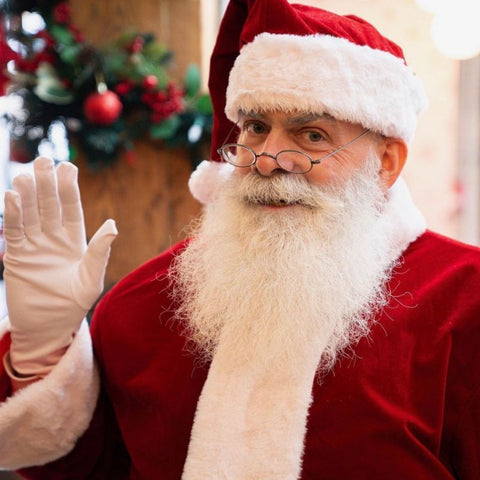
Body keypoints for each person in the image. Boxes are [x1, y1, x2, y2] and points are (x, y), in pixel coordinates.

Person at [0, 0, 479, 478]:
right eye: (254, 127)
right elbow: (81, 469)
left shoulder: (466, 301)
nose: (268, 158)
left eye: (311, 134)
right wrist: (42, 352)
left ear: (387, 162)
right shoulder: (143, 304)